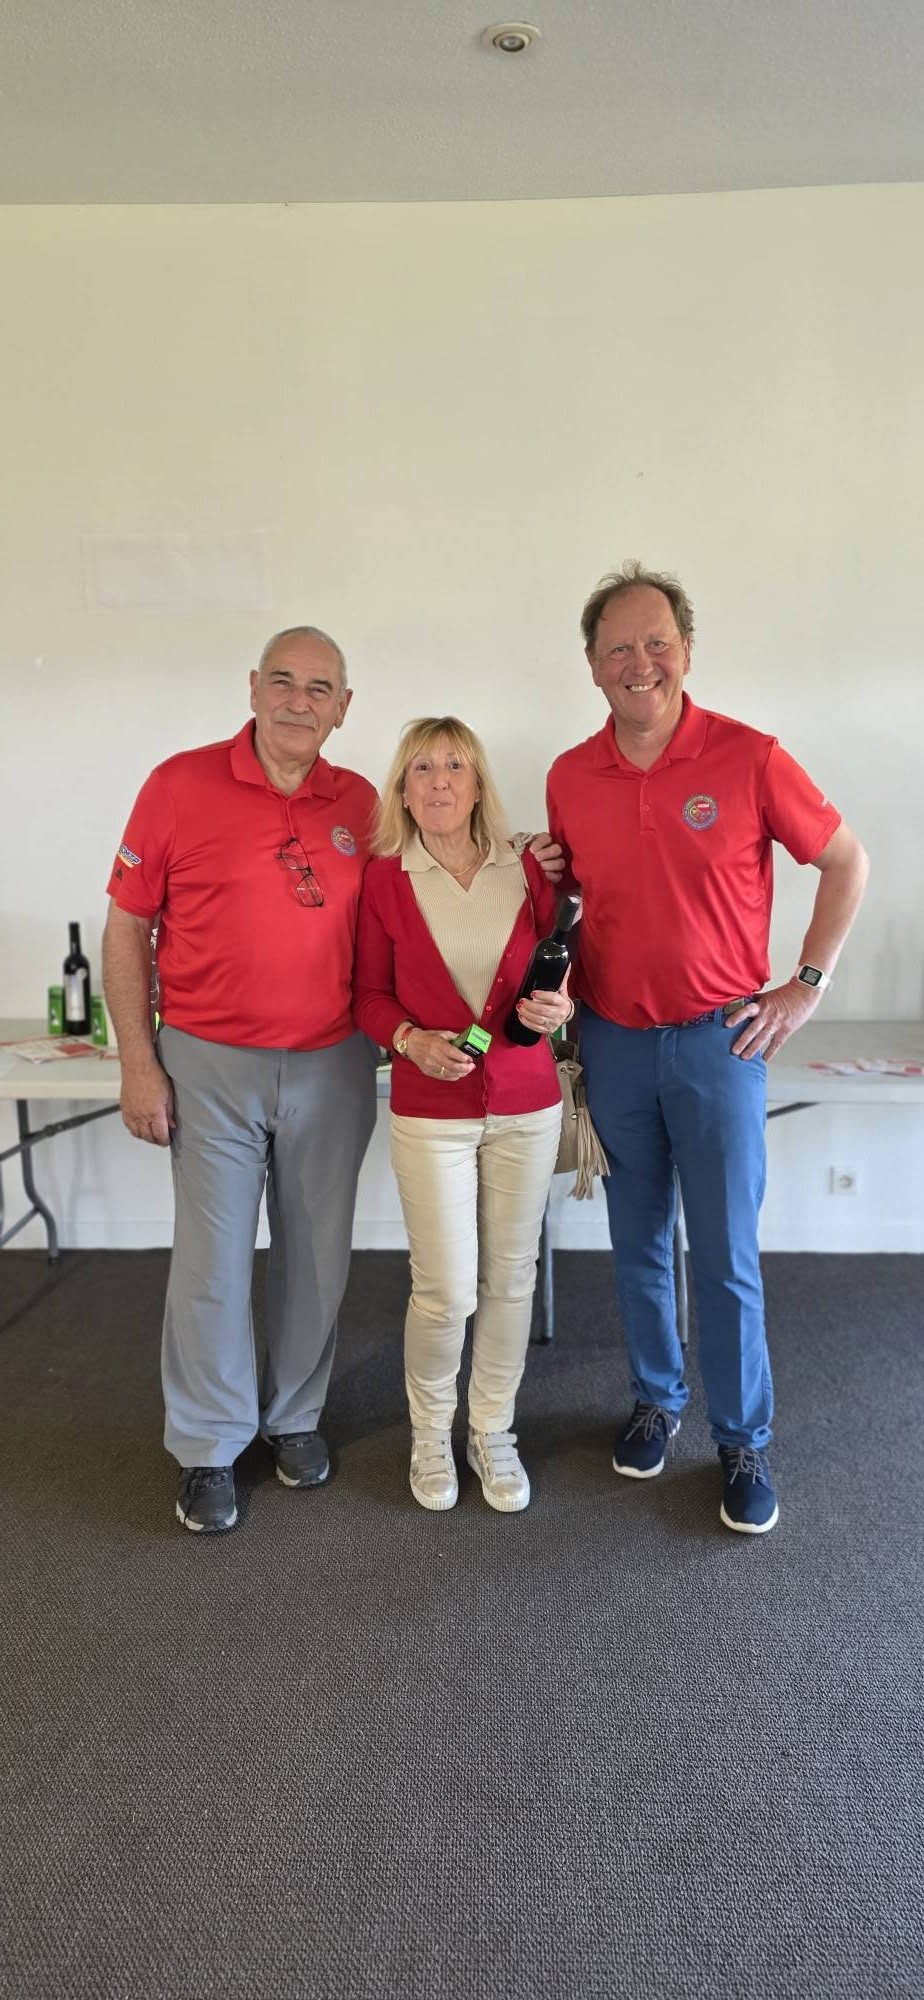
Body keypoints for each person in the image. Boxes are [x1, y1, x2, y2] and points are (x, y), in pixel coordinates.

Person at [546, 563, 869, 1535]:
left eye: (657, 643)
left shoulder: (749, 756)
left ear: (687, 650)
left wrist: (805, 984)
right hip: (613, 1040)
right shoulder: (569, 776)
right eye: (618, 648)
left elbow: (846, 859)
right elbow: (571, 898)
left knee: (725, 1252)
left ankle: (741, 1438)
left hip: (721, 1042)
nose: (639, 663)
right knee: (638, 1242)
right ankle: (656, 1399)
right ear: (592, 665)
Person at [103, 627, 381, 1534]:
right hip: (207, 1062)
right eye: (284, 682)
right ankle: (209, 1445)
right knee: (213, 1264)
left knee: (317, 1254)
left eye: (320, 688)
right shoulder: (178, 785)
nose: (300, 701)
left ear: (344, 709)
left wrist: (521, 859)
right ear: (253, 688)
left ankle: (294, 1417)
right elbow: (126, 928)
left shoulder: (363, 803)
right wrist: (137, 1061)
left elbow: (415, 905)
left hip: (333, 1063)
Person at [352, 718, 573, 1515]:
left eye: (454, 765)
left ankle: (492, 1431)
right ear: (403, 791)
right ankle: (430, 1433)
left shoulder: (529, 868)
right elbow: (368, 996)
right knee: (445, 1290)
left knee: (512, 1279)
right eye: (422, 768)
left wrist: (561, 1007)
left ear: (478, 784)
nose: (439, 780)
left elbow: (565, 970)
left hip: (527, 1104)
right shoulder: (385, 878)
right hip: (431, 1112)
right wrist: (409, 1040)